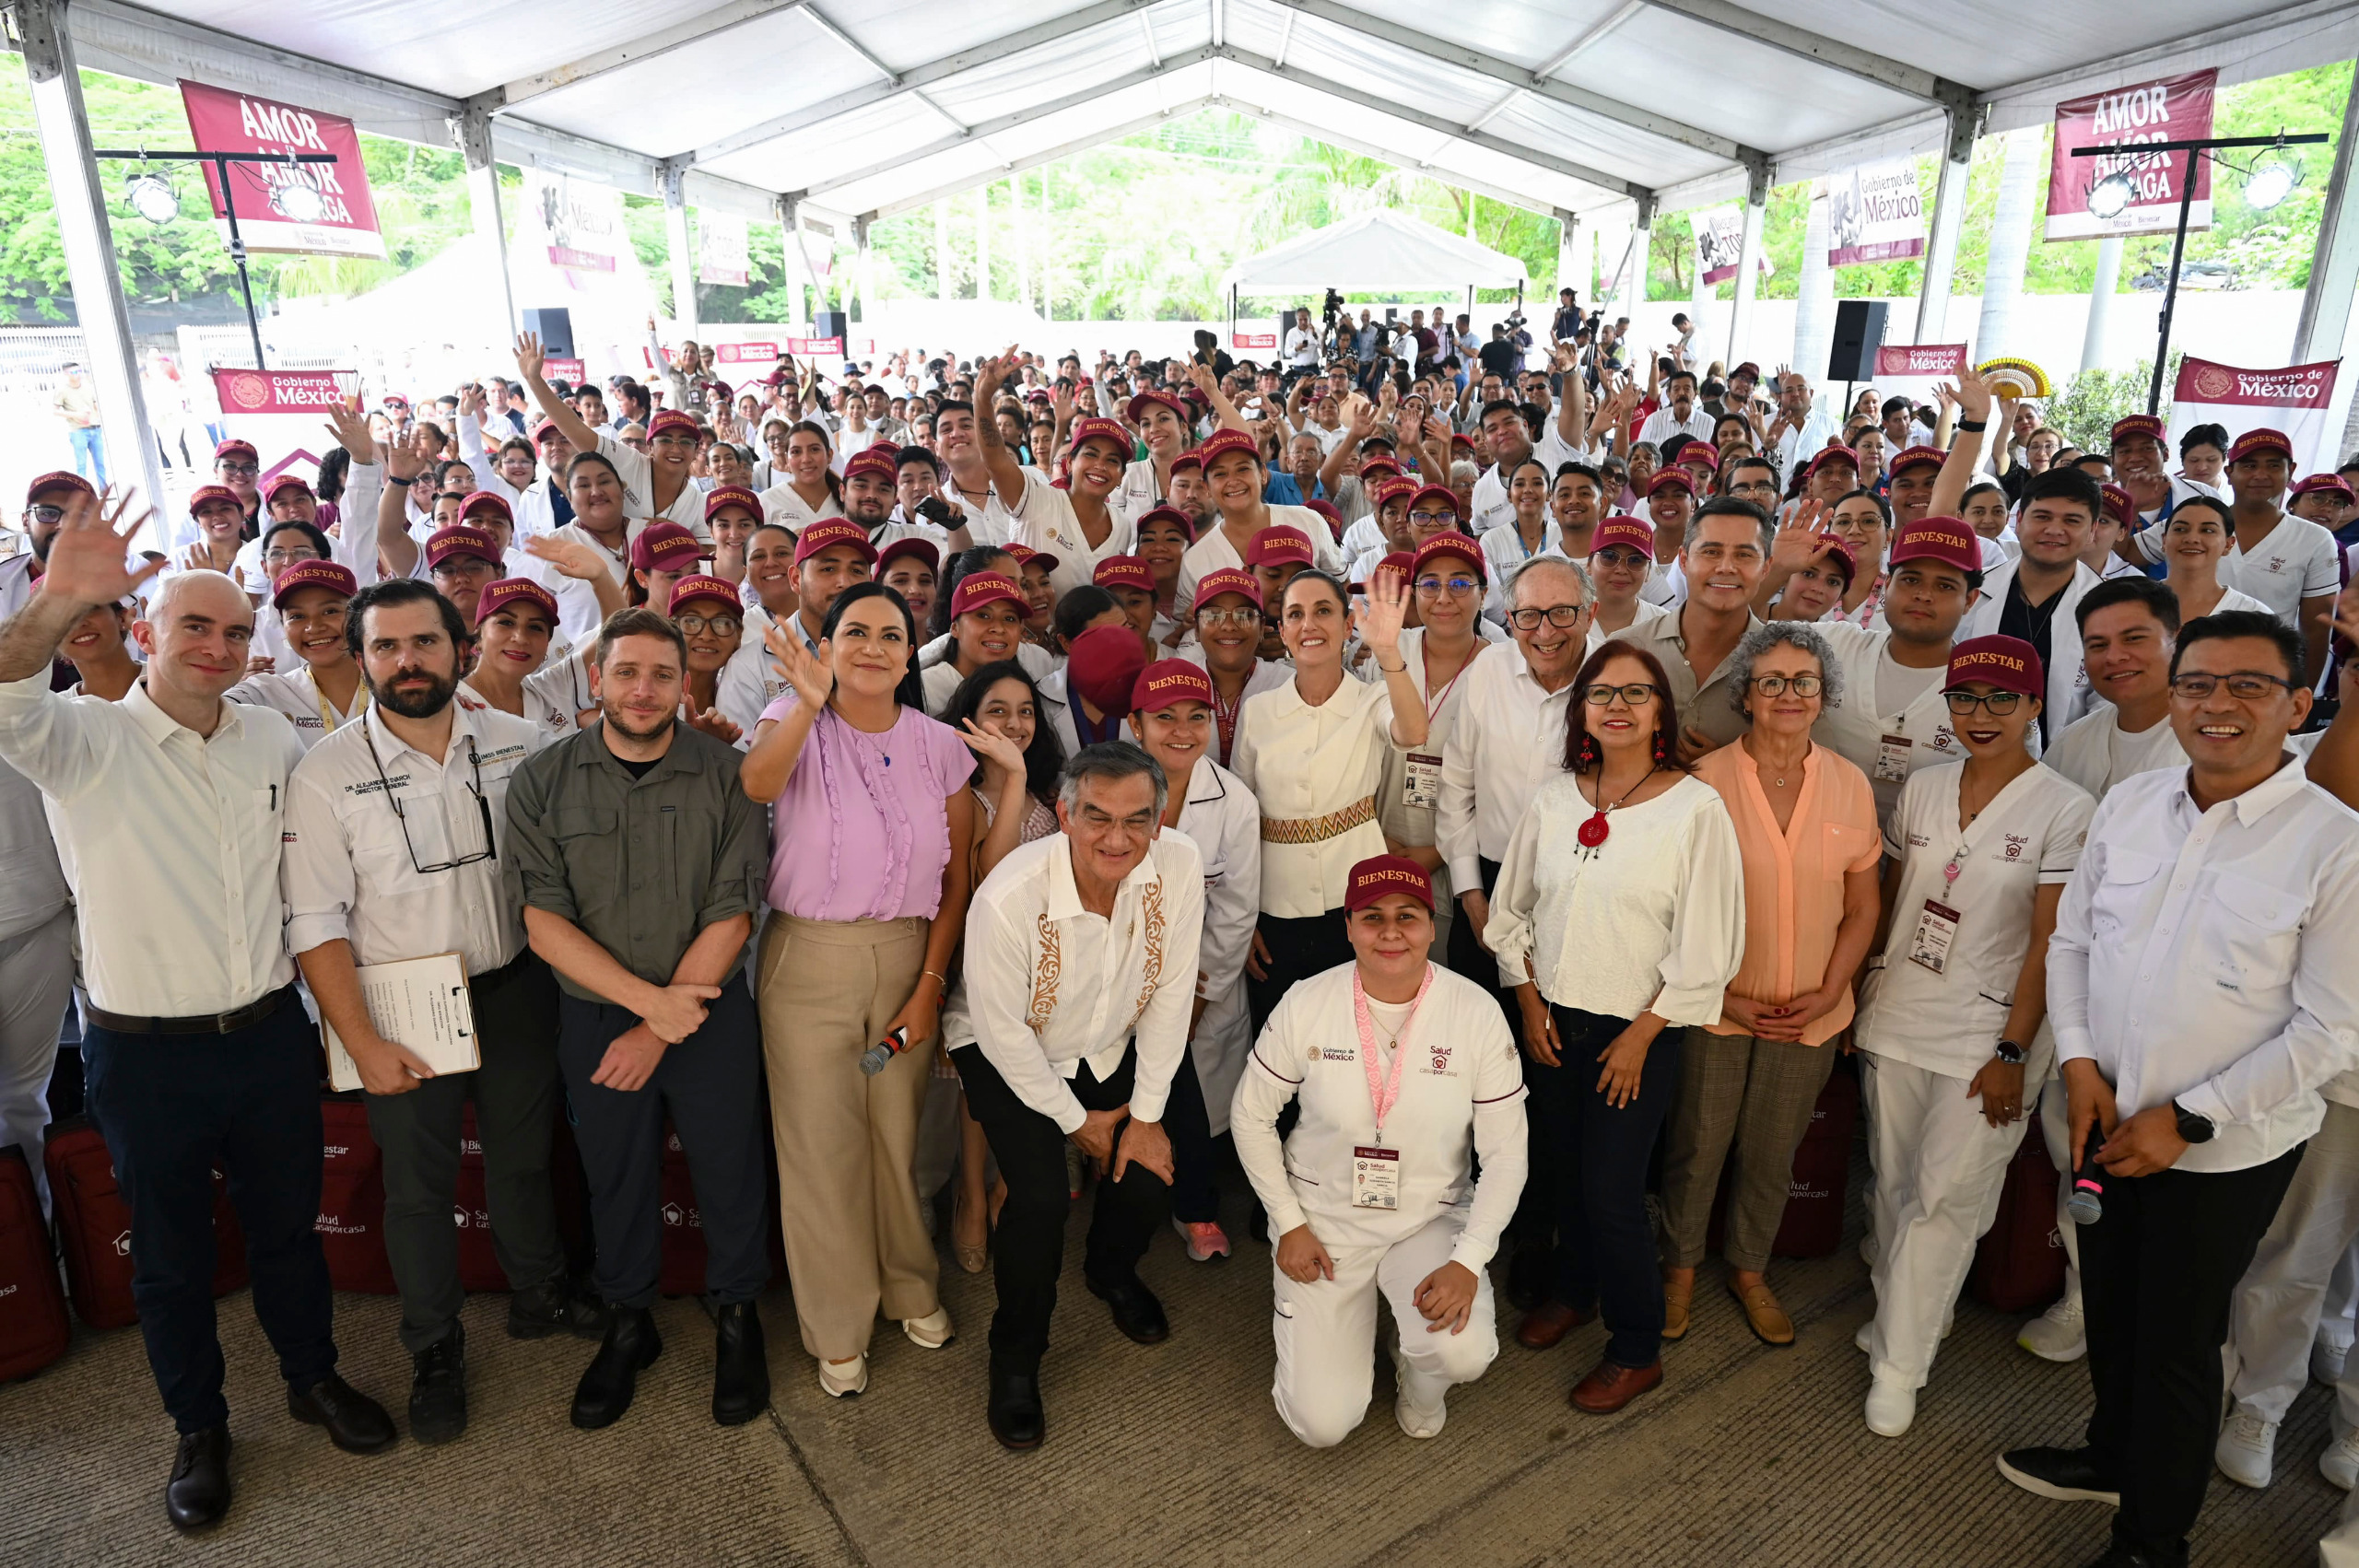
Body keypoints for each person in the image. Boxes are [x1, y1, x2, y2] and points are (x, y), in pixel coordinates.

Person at [0, 494, 394, 1530]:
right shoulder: (81, 740)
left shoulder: (267, 738)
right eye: (192, 626)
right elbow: (5, 690)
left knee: (286, 1237)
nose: (217, 646)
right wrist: (55, 601)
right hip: (145, 1055)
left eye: (233, 630)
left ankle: (311, 1381)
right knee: (170, 1263)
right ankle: (200, 1428)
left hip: (267, 1036)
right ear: (143, 633)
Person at [1999, 611, 2359, 1568]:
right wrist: (2077, 1064)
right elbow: (2072, 941)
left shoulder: (2335, 845)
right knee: (2113, 1308)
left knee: (2176, 1342)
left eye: (2247, 685)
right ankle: (2113, 1455)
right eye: (2198, 683)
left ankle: (2153, 1540)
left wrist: (2189, 1119)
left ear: (2295, 705)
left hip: (2223, 1147)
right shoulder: (2133, 804)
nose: (2216, 705)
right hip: (2102, 1110)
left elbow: (2330, 1027)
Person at [282, 578, 596, 1445]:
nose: (405, 661)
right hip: (399, 1002)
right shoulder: (327, 773)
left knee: (524, 1159)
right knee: (417, 1190)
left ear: (462, 647)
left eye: (423, 642)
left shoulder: (524, 744)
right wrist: (360, 1040)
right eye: (385, 647)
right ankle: (434, 1346)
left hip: (514, 985)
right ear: (362, 657)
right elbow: (313, 920)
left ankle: (539, 1294)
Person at [505, 607, 774, 1433]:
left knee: (730, 1167)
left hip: (708, 1012)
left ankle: (737, 1316)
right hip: (597, 1018)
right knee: (614, 1172)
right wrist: (641, 1008)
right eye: (626, 672)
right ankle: (629, 1322)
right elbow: (542, 922)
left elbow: (735, 911)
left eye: (663, 674)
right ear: (597, 678)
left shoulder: (730, 774)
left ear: (685, 681)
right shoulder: (543, 780)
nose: (645, 689)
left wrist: (660, 1024)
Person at [1484, 641, 1743, 1413]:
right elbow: (1512, 912)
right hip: (1553, 1022)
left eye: (1636, 693)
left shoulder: (1695, 810)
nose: (1618, 706)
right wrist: (1528, 1001)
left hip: (1637, 1034)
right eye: (1602, 694)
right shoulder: (1557, 798)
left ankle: (1637, 1349)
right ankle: (1575, 1290)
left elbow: (1708, 946)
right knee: (1562, 1174)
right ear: (1582, 710)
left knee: (1613, 1195)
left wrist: (1641, 1035)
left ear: (1662, 708)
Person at [739, 580, 977, 1397]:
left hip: (907, 962)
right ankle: (837, 1320)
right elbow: (758, 788)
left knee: (895, 1129)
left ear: (910, 653)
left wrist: (931, 986)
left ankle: (910, 1284)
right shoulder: (789, 719)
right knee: (821, 1144)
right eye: (854, 632)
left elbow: (957, 879)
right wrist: (807, 703)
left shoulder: (940, 745)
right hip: (807, 967)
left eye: (890, 634)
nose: (872, 646)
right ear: (829, 644)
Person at [1853, 635, 2094, 1437]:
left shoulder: (2066, 808)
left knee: (1945, 1202)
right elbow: (1893, 899)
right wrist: (1864, 994)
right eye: (1965, 698)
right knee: (1891, 1186)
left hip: (1989, 1036)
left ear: (2034, 706)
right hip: (1899, 1013)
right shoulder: (1922, 788)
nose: (1980, 715)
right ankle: (1911, 1314)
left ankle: (1900, 1364)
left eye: (2002, 699)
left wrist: (2015, 1054)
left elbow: (2048, 944)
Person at [949, 743, 1204, 1450]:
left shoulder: (1178, 866)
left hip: (1111, 1037)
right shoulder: (1010, 897)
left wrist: (1144, 1118)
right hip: (1011, 1050)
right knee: (1035, 1200)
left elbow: (1171, 992)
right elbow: (1002, 1034)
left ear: (1158, 820)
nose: (1116, 838)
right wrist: (1077, 1123)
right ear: (1063, 812)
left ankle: (1110, 1270)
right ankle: (1016, 1357)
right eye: (1096, 816)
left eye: (1137, 820)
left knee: (1150, 1172)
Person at [1233, 853, 1526, 1445]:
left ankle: (1418, 1372)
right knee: (1322, 1424)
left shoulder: (1475, 1013)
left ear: (1431, 924)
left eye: (1408, 916)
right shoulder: (1307, 1002)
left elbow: (1506, 1156)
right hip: (1325, 1224)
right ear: (1348, 926)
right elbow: (1250, 1115)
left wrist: (1468, 1261)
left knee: (1462, 1352)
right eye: (1372, 917)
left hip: (1427, 1217)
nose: (1391, 932)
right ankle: (1349, 1327)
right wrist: (1288, 1223)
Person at [1656, 624, 1880, 1352]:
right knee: (1697, 1147)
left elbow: (1863, 906)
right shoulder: (1703, 783)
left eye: (1804, 682)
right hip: (1717, 1007)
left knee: (1773, 1151)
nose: (1789, 694)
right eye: (1772, 681)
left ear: (1824, 697)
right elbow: (1670, 907)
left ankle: (1750, 1269)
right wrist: (1718, 995)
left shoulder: (1849, 783)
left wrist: (1832, 992)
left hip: (1810, 1013)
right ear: (1747, 695)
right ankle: (1680, 1269)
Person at [1231, 567, 1427, 1030]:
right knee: (1283, 1037)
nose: (1309, 625)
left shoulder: (1373, 698)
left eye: (1323, 612)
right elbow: (1238, 823)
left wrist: (1387, 652)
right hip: (1277, 908)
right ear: (1281, 631)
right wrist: (1243, 919)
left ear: (1347, 625)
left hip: (1360, 901)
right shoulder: (1259, 711)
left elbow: (1414, 732)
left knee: (1357, 1035)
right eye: (1295, 615)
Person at [1121, 659, 1261, 1264]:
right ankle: (1135, 1206)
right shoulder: (1108, 784)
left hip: (1203, 980)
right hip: (1118, 973)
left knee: (1191, 1097)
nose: (1182, 730)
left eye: (1197, 716)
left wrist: (1199, 996)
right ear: (1134, 723)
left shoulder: (1234, 802)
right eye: (1164, 717)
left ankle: (1195, 1207)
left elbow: (1235, 911)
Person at [1621, 499, 1769, 754]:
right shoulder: (1626, 649)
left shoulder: (1785, 663)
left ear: (1766, 568)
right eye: (1711, 552)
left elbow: (1811, 766)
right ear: (1684, 560)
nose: (1726, 568)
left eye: (1744, 555)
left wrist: (1733, 765)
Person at [1175, 428, 1345, 609]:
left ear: (1263, 474)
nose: (1233, 481)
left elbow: (1342, 584)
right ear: (1206, 487)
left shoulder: (1308, 521)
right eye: (1220, 474)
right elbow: (1184, 624)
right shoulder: (1195, 560)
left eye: (1243, 469)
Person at [226, 562, 367, 748]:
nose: (314, 627)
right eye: (297, 616)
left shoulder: (396, 679)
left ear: (359, 614)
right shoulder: (264, 693)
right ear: (282, 625)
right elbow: (200, 712)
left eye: (330, 611)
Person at [1584, 515, 1673, 645]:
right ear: (1588, 565)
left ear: (1648, 572)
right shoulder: (1570, 620)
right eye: (1609, 556)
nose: (1621, 569)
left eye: (1635, 560)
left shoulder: (1664, 625)